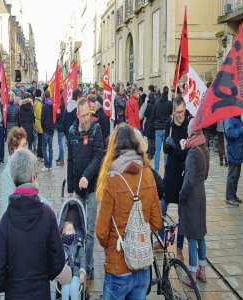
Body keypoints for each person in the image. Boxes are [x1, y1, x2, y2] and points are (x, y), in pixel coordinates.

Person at [95, 123, 162, 299]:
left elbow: (101, 231)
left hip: (118, 265)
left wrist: (114, 245)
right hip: (142, 266)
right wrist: (139, 236)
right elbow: (156, 222)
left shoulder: (112, 179)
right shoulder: (147, 174)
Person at [0, 149, 65, 299]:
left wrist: (11, 285)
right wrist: (43, 277)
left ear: (13, 177)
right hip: (41, 292)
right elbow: (58, 259)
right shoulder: (48, 215)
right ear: (33, 177)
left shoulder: (6, 220)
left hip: (15, 293)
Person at [67, 98, 104, 278]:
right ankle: (78, 263)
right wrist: (70, 187)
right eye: (82, 116)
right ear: (77, 115)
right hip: (77, 188)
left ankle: (88, 268)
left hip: (92, 187)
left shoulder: (96, 130)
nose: (86, 119)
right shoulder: (72, 131)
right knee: (77, 229)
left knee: (89, 230)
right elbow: (70, 160)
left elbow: (98, 156)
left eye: (88, 115)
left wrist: (86, 176)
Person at [155, 97, 189, 259]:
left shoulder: (189, 126)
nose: (180, 115)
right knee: (161, 206)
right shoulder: (169, 123)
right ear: (173, 111)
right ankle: (161, 238)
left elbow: (186, 152)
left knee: (183, 211)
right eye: (177, 112)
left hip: (182, 173)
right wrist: (166, 146)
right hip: (170, 172)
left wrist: (175, 148)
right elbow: (164, 149)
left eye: (182, 112)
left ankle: (180, 247)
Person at [179, 119, 210, 286]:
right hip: (201, 195)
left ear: (191, 131)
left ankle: (191, 274)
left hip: (191, 197)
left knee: (191, 236)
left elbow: (188, 181)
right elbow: (204, 175)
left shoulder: (192, 152)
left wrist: (181, 196)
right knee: (200, 235)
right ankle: (202, 271)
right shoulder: (204, 148)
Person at [0, 127, 52, 212]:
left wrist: (47, 204)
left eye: (26, 144)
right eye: (24, 145)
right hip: (21, 218)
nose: (27, 148)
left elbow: (33, 193)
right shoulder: (7, 173)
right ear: (14, 148)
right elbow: (7, 208)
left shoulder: (25, 165)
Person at [224, 116, 243, 206]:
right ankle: (229, 197)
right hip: (233, 151)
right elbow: (230, 133)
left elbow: (238, 129)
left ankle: (233, 195)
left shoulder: (237, 118)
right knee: (232, 176)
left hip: (238, 151)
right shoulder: (229, 118)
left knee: (237, 176)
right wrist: (242, 129)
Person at [60, 222, 86, 300]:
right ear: (64, 233)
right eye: (69, 229)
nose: (72, 231)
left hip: (76, 273)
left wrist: (82, 272)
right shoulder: (61, 247)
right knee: (65, 290)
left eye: (73, 229)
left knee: (73, 289)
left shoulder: (78, 244)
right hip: (66, 274)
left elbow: (82, 258)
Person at [152, 86, 172, 172]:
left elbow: (153, 115)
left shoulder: (156, 103)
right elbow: (172, 114)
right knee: (166, 150)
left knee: (157, 149)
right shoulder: (169, 103)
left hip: (158, 128)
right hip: (166, 128)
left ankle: (156, 168)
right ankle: (166, 167)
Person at [41, 90, 55, 171]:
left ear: (45, 96)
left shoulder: (44, 106)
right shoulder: (53, 105)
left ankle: (46, 165)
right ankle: (50, 165)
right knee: (50, 148)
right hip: (51, 129)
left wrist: (43, 127)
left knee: (44, 148)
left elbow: (42, 119)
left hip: (46, 129)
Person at [144, 86, 157, 159]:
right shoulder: (155, 105)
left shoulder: (148, 105)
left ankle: (150, 153)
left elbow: (145, 114)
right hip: (154, 123)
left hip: (149, 123)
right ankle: (153, 151)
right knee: (153, 138)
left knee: (149, 139)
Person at [56, 90, 66, 166]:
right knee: (60, 142)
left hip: (60, 125)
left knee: (60, 143)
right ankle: (60, 156)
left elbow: (58, 115)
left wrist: (55, 112)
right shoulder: (64, 102)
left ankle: (62, 158)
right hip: (63, 125)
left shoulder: (60, 104)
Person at [34, 89, 44, 161]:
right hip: (39, 123)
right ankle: (40, 155)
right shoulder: (39, 103)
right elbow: (40, 115)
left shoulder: (36, 101)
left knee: (39, 139)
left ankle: (39, 154)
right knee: (40, 140)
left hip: (37, 122)